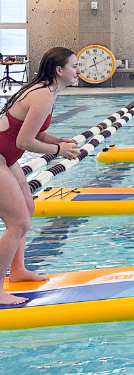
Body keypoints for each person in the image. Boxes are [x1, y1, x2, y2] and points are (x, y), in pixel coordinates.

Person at [0, 48, 81, 304]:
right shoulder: (43, 95)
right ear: (59, 70)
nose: (78, 71)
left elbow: (30, 132)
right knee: (19, 222)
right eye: (75, 66)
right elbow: (25, 140)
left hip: (6, 156)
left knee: (28, 207)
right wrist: (59, 150)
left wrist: (55, 140)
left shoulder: (46, 90)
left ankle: (18, 271)